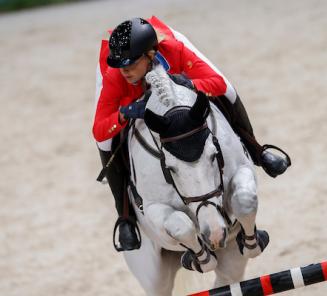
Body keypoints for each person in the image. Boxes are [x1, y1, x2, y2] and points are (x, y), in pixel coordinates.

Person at [92, 16, 290, 251]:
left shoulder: (175, 51)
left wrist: (187, 83)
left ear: (151, 54)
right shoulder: (117, 75)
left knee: (228, 89)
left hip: (177, 71)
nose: (125, 70)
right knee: (104, 140)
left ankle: (258, 151)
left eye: (131, 63)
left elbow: (215, 83)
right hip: (133, 100)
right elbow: (99, 128)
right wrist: (124, 114)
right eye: (121, 65)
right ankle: (124, 215)